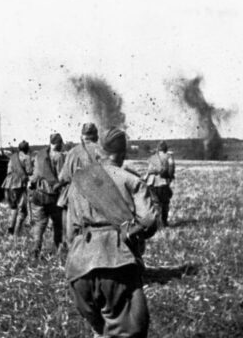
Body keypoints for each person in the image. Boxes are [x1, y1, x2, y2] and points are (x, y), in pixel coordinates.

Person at [64, 127, 159, 338]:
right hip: (116, 264)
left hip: (79, 268)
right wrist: (131, 234)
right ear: (123, 153)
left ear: (100, 150)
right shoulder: (131, 180)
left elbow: (70, 231)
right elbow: (150, 220)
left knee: (101, 331)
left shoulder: (78, 181)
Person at [57, 123, 103, 236]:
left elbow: (62, 177)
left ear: (82, 136)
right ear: (96, 136)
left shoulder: (72, 152)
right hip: (97, 194)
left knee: (73, 233)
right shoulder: (102, 151)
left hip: (75, 193)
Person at [29, 133, 66, 258]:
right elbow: (62, 177)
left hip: (38, 194)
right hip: (52, 195)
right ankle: (59, 250)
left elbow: (34, 175)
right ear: (59, 143)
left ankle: (35, 249)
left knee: (39, 223)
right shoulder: (59, 156)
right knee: (57, 223)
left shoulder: (40, 155)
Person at [1, 140, 33, 236]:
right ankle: (16, 233)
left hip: (7, 184)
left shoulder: (13, 157)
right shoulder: (27, 157)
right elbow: (30, 171)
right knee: (23, 210)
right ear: (27, 149)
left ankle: (11, 229)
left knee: (13, 208)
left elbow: (8, 170)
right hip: (18, 184)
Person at [143, 140, 176, 227]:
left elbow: (149, 170)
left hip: (151, 183)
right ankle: (164, 222)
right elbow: (171, 169)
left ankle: (155, 223)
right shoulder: (169, 156)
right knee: (165, 203)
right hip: (162, 183)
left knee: (154, 204)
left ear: (158, 149)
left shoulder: (153, 157)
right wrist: (170, 178)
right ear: (166, 149)